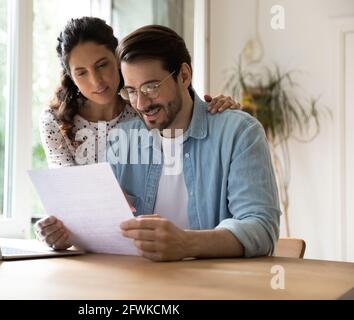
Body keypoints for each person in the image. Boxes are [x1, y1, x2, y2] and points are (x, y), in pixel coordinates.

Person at [36, 17, 243, 249]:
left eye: (102, 65)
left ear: (118, 60)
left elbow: (183, 106)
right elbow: (67, 201)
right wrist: (61, 228)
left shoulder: (141, 110)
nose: (96, 81)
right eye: (81, 72)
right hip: (103, 241)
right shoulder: (57, 121)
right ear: (71, 77)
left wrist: (218, 111)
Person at [110, 25, 281, 261]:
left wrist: (186, 243)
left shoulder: (239, 133)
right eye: (131, 91)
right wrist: (66, 233)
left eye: (151, 87)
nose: (141, 103)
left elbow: (262, 230)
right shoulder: (122, 141)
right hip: (137, 287)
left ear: (184, 75)